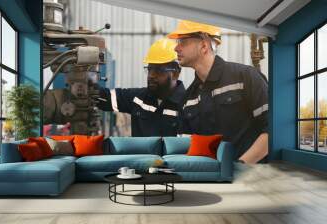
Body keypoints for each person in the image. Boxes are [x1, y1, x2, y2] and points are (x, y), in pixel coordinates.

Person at [167, 20, 268, 163]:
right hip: (211, 178)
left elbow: (272, 130)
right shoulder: (187, 99)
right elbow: (188, 147)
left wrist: (240, 167)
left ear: (203, 45)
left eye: (183, 42)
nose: (176, 48)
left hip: (251, 178)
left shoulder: (245, 77)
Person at [97, 38, 186, 137]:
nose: (151, 75)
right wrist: (85, 86)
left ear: (175, 73)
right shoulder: (138, 99)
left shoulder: (187, 106)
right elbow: (104, 97)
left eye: (158, 70)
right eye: (150, 69)